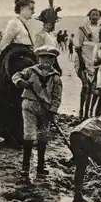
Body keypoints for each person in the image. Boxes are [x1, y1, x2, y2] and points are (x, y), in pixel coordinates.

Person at [0, 0, 38, 149]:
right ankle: (10, 136)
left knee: (21, 100)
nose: (33, 12)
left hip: (24, 61)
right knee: (11, 100)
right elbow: (3, 46)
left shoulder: (26, 24)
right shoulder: (14, 23)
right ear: (22, 9)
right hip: (15, 64)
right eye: (31, 9)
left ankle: (19, 135)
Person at [12, 45, 62, 178]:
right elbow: (16, 75)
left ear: (54, 60)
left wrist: (53, 111)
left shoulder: (56, 77)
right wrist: (20, 82)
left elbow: (57, 97)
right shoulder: (30, 71)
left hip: (46, 109)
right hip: (29, 105)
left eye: (50, 58)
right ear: (38, 58)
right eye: (44, 57)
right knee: (29, 134)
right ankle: (25, 167)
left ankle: (40, 167)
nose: (47, 60)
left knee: (43, 136)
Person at [75, 9, 101, 120]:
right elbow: (77, 47)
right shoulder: (82, 29)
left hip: (95, 62)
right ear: (89, 16)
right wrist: (82, 64)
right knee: (85, 86)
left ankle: (89, 113)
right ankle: (82, 111)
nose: (95, 17)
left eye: (97, 15)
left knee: (94, 88)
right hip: (83, 61)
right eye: (93, 14)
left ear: (100, 17)